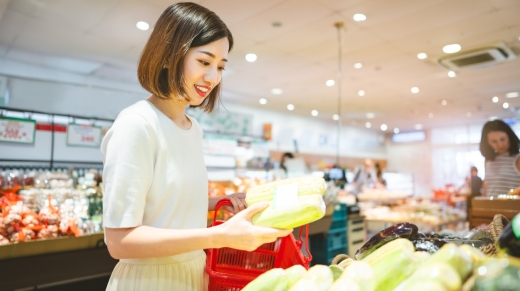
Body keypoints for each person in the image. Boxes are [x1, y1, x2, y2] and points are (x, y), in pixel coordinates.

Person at [101, 3, 292, 290]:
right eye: (204, 62)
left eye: (220, 67)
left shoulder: (193, 129)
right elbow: (119, 241)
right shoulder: (137, 124)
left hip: (194, 273)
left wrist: (224, 204)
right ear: (168, 56)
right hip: (150, 280)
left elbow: (168, 208)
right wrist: (221, 236)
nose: (213, 78)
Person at [479, 119, 520, 196]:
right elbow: (487, 189)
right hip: (492, 207)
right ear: (487, 143)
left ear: (509, 137)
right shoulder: (488, 161)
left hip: (512, 207)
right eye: (494, 141)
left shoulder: (518, 159)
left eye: (503, 139)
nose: (500, 145)